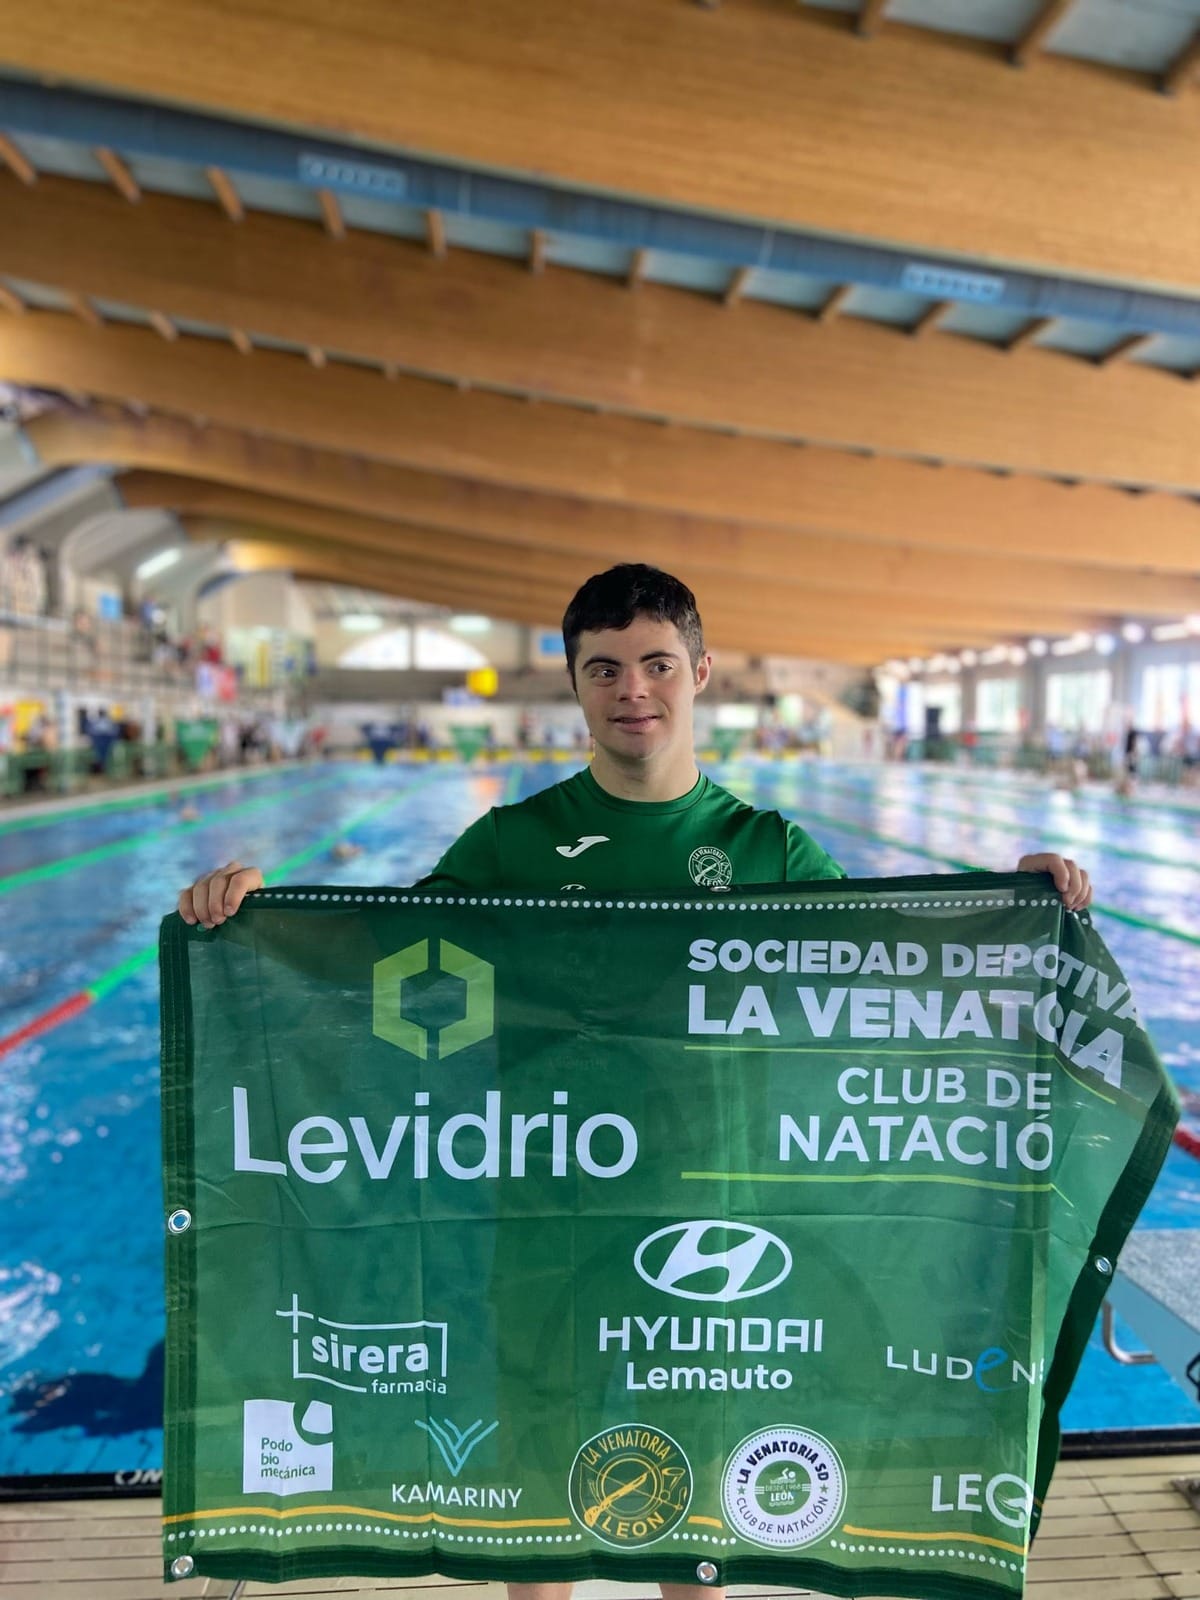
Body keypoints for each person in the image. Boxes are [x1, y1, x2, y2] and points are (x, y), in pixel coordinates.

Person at [177, 564, 1091, 1600]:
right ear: (575, 684)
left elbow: (890, 958)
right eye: (603, 668)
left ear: (698, 672)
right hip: (542, 1212)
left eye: (656, 663)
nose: (632, 690)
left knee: (694, 1505)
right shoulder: (511, 844)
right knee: (535, 1496)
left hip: (709, 1220)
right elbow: (372, 954)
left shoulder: (765, 849)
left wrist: (1014, 900)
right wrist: (257, 913)